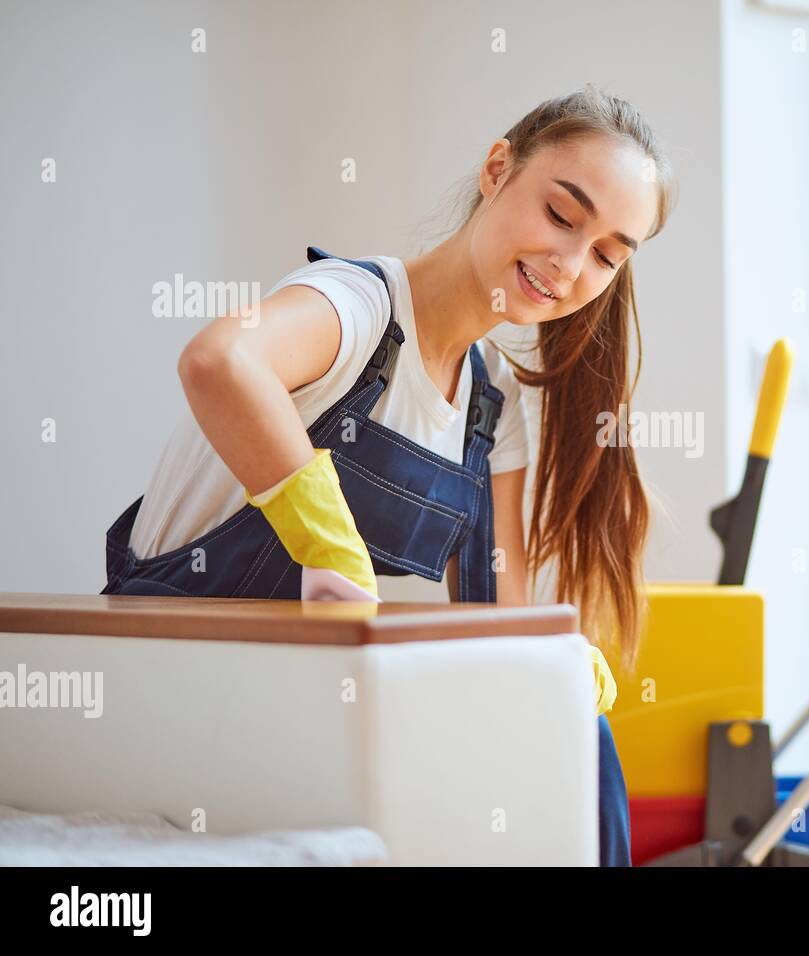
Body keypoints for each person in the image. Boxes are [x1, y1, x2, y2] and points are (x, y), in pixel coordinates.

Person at [99, 84, 677, 867]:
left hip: (292, 717)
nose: (570, 263)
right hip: (171, 699)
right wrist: (326, 544)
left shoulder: (488, 404)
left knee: (580, 725)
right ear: (498, 168)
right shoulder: (356, 307)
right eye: (562, 215)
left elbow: (494, 627)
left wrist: (552, 666)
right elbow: (218, 362)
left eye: (607, 254)